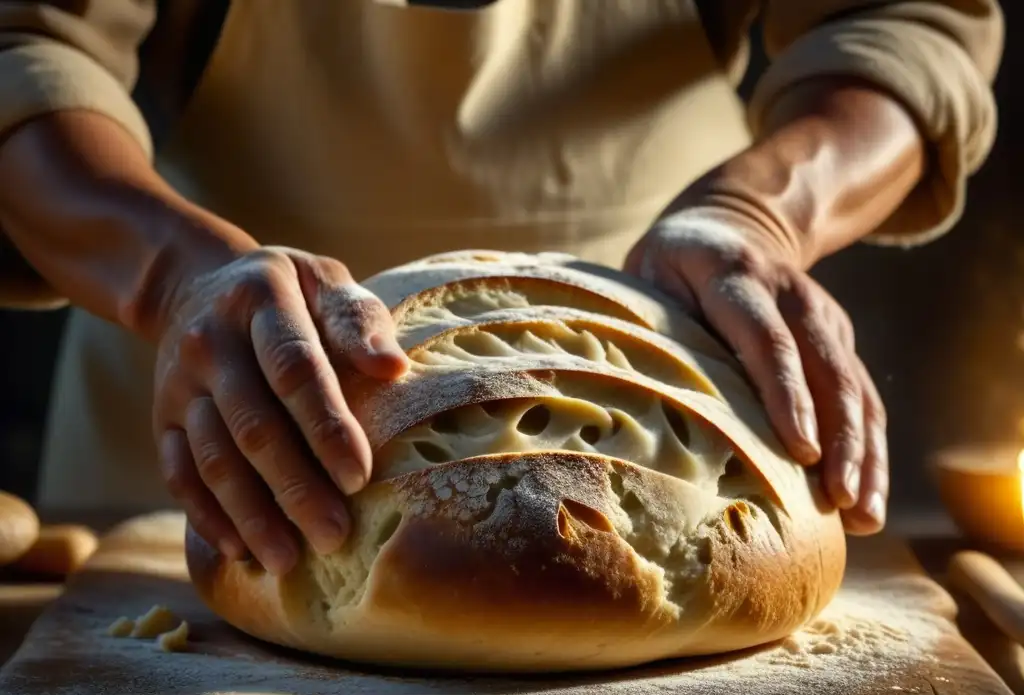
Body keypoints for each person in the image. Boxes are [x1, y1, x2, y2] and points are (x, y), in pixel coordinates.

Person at [0, 0, 1002, 575]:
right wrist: (174, 276)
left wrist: (758, 215)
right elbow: (23, 47)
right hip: (237, 399)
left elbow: (903, 21)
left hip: (673, 337)